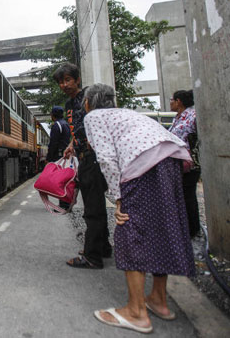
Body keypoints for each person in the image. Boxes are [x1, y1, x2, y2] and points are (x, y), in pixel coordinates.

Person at [81, 84, 195, 334]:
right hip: (171, 160)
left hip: (143, 164)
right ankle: (158, 300)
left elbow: (107, 159)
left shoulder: (93, 117)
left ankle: (136, 312)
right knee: (160, 228)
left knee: (129, 227)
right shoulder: (124, 114)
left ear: (88, 103)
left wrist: (117, 198)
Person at [52, 63, 111, 269]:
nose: (64, 85)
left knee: (92, 209)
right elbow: (77, 130)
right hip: (84, 155)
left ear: (77, 79)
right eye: (61, 82)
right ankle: (103, 247)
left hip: (93, 156)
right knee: (95, 204)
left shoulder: (89, 96)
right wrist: (71, 145)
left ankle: (92, 256)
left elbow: (100, 123)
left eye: (67, 80)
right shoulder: (69, 105)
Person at [168, 89, 201, 238]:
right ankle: (186, 227)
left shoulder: (192, 116)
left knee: (188, 196)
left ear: (178, 101)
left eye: (172, 100)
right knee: (182, 195)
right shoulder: (178, 117)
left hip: (189, 163)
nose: (170, 103)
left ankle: (193, 230)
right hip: (179, 164)